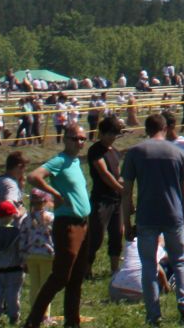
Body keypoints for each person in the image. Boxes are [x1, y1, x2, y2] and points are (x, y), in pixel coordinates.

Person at [119, 112, 184, 325]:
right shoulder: (179, 152)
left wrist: (127, 223)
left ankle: (153, 314)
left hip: (146, 216)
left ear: (147, 129)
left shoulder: (135, 152)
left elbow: (126, 191)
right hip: (173, 215)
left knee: (148, 265)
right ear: (164, 128)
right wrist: (183, 215)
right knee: (179, 261)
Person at [24, 123, 92, 328]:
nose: (79, 142)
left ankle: (73, 322)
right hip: (67, 224)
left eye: (82, 139)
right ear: (65, 139)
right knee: (61, 276)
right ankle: (33, 321)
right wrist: (55, 194)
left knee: (77, 277)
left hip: (83, 223)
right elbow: (33, 176)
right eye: (74, 138)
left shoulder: (75, 162)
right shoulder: (60, 160)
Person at [79, 116, 126, 277]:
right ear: (102, 133)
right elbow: (104, 174)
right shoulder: (95, 151)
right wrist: (121, 189)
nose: (114, 138)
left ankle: (115, 270)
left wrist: (124, 186)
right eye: (111, 134)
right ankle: (86, 268)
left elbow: (118, 174)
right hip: (101, 200)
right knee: (96, 237)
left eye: (116, 134)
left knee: (117, 235)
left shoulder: (115, 152)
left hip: (116, 200)